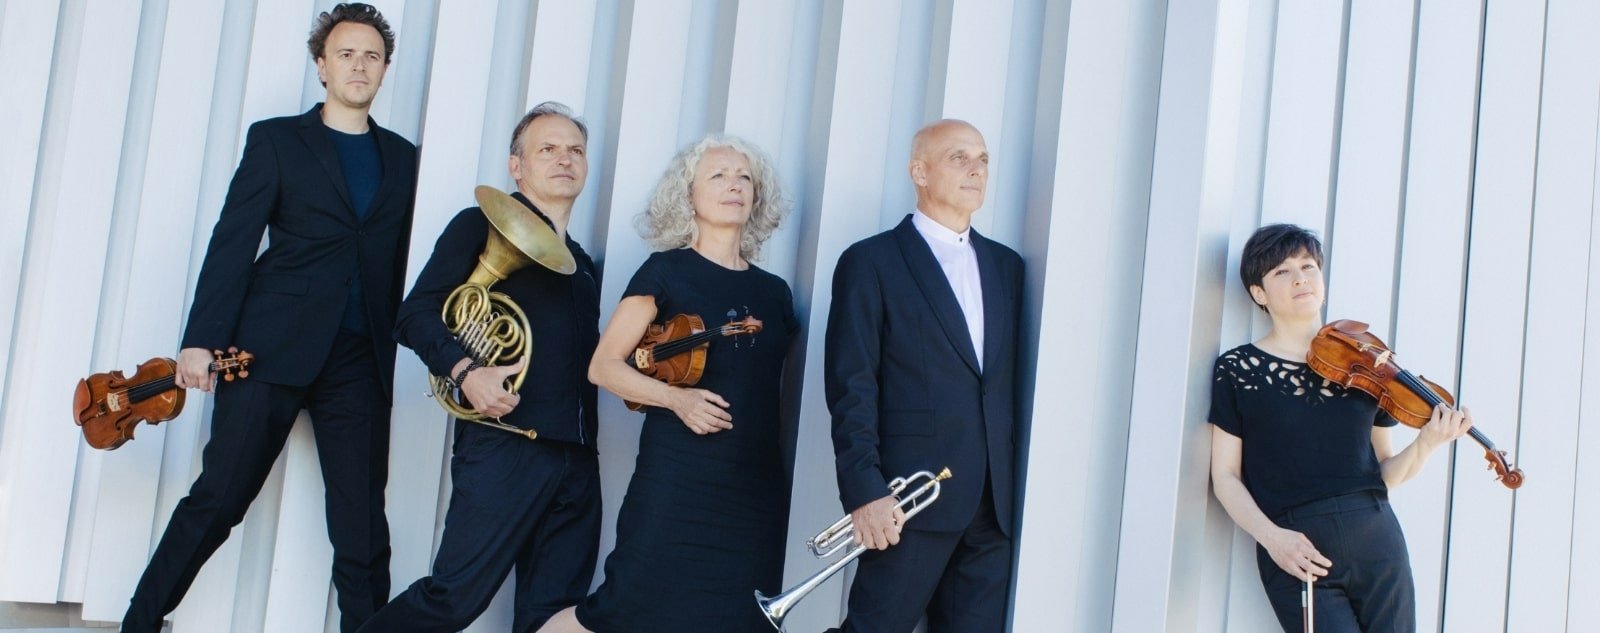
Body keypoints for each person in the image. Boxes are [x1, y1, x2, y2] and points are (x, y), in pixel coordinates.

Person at [121, 5, 417, 632]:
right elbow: (233, 242)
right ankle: (139, 623)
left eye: (371, 56)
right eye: (345, 54)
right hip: (266, 351)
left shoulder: (406, 159)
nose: (358, 65)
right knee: (219, 499)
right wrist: (200, 341)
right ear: (321, 65)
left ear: (386, 69)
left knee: (363, 528)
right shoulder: (277, 140)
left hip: (359, 362)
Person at [358, 102, 603, 632]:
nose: (565, 159)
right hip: (506, 443)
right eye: (548, 148)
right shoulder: (478, 224)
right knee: (454, 598)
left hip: (576, 459)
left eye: (576, 150)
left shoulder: (583, 264)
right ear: (516, 166)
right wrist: (467, 372)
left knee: (555, 614)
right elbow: (414, 314)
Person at [539, 135, 796, 633]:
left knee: (737, 619)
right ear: (689, 196)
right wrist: (676, 399)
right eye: (718, 176)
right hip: (679, 477)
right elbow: (604, 366)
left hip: (752, 489)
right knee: (621, 607)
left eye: (744, 177)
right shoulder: (665, 271)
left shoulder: (775, 294)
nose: (734, 186)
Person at [1208, 223, 1473, 632]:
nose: (1300, 278)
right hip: (1298, 548)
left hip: (1377, 539)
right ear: (1259, 294)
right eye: (1282, 271)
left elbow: (1386, 471)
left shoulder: (1367, 367)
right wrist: (1273, 539)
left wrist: (1428, 443)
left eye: (1308, 266)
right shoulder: (1238, 369)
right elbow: (1224, 475)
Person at [823, 119, 1024, 632]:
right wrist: (865, 491)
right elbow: (852, 386)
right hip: (907, 501)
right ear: (920, 171)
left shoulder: (1007, 267)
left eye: (983, 160)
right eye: (959, 158)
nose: (976, 170)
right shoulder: (871, 261)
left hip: (991, 509)